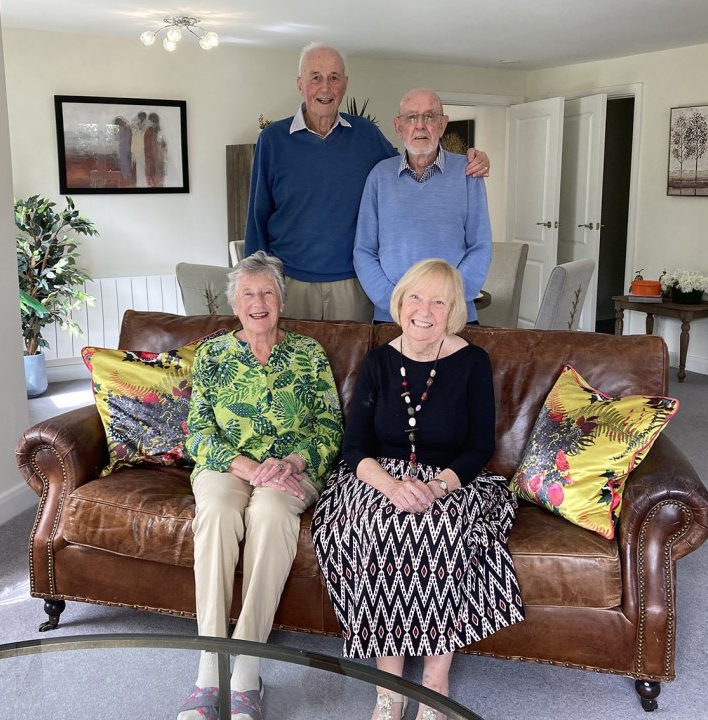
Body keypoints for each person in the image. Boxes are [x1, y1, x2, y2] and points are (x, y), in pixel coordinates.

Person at [311, 259, 524, 720]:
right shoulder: (379, 362)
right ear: (400, 302)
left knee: (439, 530)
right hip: (378, 475)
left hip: (451, 477)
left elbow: (480, 446)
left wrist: (437, 487)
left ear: (453, 311)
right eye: (415, 298)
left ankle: (434, 683)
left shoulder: (472, 362)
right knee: (372, 528)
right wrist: (391, 487)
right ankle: (389, 687)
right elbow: (355, 446)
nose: (424, 311)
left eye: (438, 302)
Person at [179, 252, 343, 720]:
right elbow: (198, 433)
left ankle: (248, 669)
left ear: (281, 301)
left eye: (267, 292)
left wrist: (292, 461)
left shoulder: (309, 353)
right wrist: (248, 468)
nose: (258, 302)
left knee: (270, 514)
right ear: (234, 303)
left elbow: (330, 426)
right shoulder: (212, 355)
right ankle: (210, 666)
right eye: (248, 293)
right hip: (228, 466)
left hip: (292, 469)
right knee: (217, 513)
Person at [245, 42, 491, 322]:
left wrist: (473, 160)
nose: (325, 87)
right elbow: (257, 215)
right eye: (315, 78)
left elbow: (410, 163)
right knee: (293, 352)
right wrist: (254, 283)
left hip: (352, 286)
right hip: (291, 281)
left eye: (334, 78)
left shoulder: (365, 135)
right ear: (300, 84)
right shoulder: (273, 140)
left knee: (354, 353)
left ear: (345, 84)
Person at [354, 88, 492, 324]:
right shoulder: (379, 176)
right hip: (392, 317)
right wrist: (395, 303)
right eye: (411, 117)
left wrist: (447, 302)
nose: (420, 125)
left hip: (453, 317)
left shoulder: (468, 173)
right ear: (399, 127)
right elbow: (364, 251)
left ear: (442, 125)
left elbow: (480, 247)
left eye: (429, 116)